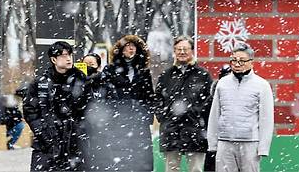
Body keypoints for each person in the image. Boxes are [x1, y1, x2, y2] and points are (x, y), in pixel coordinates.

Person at [84, 34, 154, 172]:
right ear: (121, 50)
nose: (131, 49)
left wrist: (146, 115)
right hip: (117, 123)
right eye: (127, 47)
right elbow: (103, 95)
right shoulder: (110, 70)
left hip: (139, 124)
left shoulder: (144, 72)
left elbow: (149, 98)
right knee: (118, 161)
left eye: (133, 47)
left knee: (140, 162)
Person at [207, 44, 274, 172]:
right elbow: (215, 114)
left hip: (250, 142)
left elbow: (266, 119)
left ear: (251, 62)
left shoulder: (262, 85)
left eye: (242, 61)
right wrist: (213, 143)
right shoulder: (222, 83)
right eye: (234, 60)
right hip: (224, 141)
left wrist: (263, 147)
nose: (237, 64)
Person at [23, 40, 88, 171]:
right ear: (54, 59)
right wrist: (42, 133)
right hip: (46, 144)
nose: (69, 59)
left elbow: (89, 108)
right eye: (64, 56)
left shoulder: (81, 81)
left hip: (74, 145)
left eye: (70, 55)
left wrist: (79, 131)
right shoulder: (41, 83)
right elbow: (30, 110)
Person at [155, 35, 213, 172]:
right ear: (174, 51)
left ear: (192, 51)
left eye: (185, 49)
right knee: (171, 169)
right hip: (171, 130)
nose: (182, 52)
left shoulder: (202, 75)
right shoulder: (166, 75)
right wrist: (163, 115)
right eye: (179, 49)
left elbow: (209, 101)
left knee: (196, 169)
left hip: (196, 130)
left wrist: (196, 114)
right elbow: (157, 100)